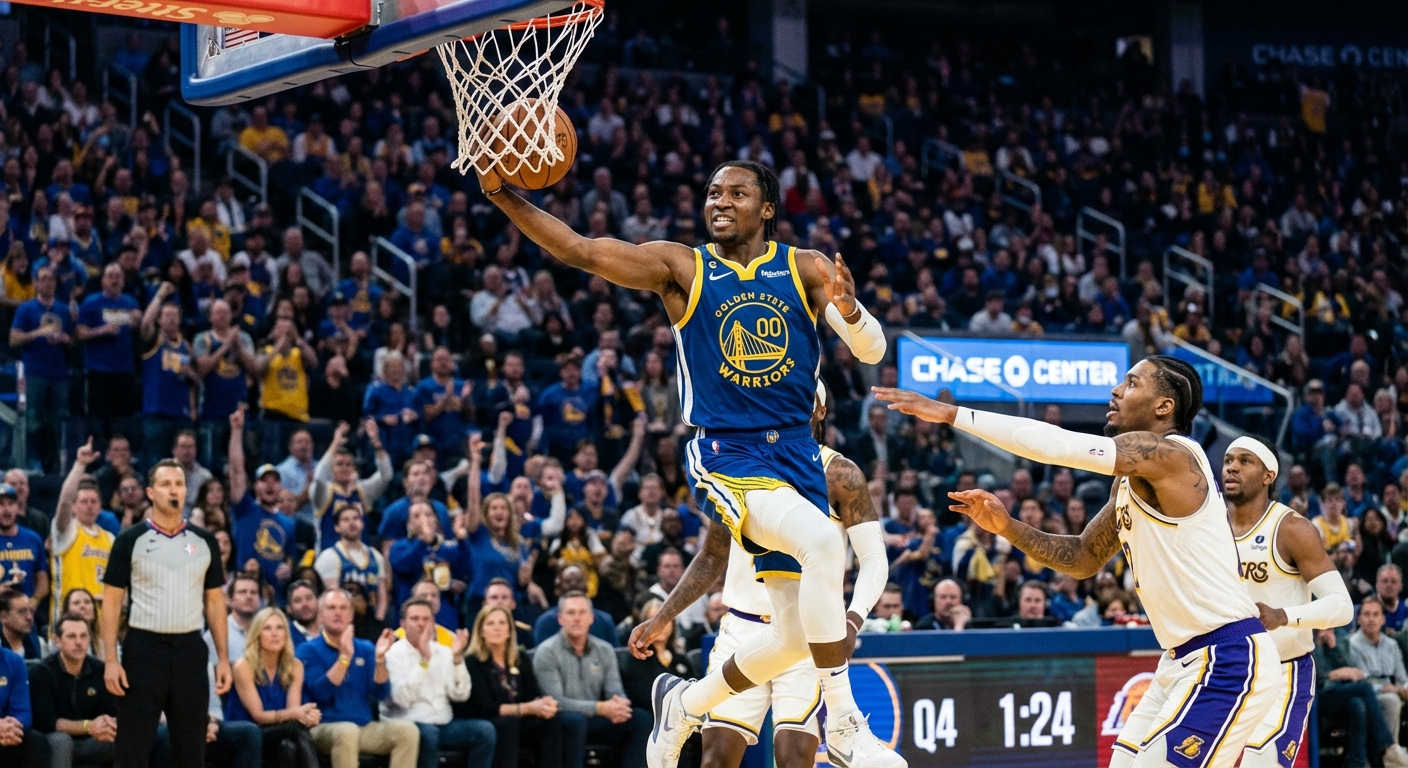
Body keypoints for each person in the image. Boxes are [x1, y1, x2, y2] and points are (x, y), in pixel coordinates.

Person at [489, 157, 894, 768]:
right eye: (712, 192)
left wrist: (853, 310)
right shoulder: (682, 265)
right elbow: (582, 250)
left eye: (737, 193)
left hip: (797, 454)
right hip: (728, 451)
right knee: (823, 544)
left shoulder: (806, 268)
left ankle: (685, 702)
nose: (720, 201)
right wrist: (505, 196)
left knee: (790, 637)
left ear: (767, 208)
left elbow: (871, 350)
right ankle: (843, 718)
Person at [877, 355, 1283, 768]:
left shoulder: (1171, 456)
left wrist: (950, 413)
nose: (1116, 391)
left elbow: (1058, 445)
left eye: (1132, 383)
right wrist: (1007, 526)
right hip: (1181, 661)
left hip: (1227, 657)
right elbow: (1083, 557)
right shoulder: (1131, 477)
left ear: (1165, 406)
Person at [640, 381, 889, 767]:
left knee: (794, 759)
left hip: (809, 634)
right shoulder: (740, 467)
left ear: (820, 411)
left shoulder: (840, 473)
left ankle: (683, 703)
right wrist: (663, 616)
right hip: (743, 627)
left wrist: (852, 621)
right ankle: (679, 707)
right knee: (717, 759)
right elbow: (711, 556)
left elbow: (874, 560)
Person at [1224, 434, 1354, 766]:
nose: (1232, 468)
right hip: (1226, 672)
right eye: (1228, 461)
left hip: (1284, 672)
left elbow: (1341, 606)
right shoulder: (1209, 529)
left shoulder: (1292, 529)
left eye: (1244, 461)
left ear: (1269, 475)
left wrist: (1283, 616)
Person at [101, 457, 232, 768]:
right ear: (150, 492)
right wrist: (110, 659)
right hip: (143, 650)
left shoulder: (205, 542)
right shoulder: (128, 541)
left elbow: (214, 603)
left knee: (192, 752)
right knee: (133, 750)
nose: (173, 490)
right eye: (165, 484)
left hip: (190, 650)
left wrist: (223, 658)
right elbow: (111, 602)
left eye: (179, 484)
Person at [295, 587, 419, 768]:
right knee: (347, 731)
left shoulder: (365, 648)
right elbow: (321, 693)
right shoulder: (308, 649)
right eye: (331, 608)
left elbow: (381, 692)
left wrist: (380, 659)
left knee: (407, 731)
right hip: (323, 727)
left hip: (363, 727)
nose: (338, 613)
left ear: (351, 614)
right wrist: (344, 658)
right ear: (320, 615)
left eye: (343, 608)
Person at [533, 591, 649, 766]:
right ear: (560, 619)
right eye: (571, 613)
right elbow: (556, 702)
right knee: (574, 720)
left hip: (595, 720)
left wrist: (620, 705)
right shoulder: (546, 652)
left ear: (591, 618)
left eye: (582, 613)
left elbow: (615, 690)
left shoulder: (605, 649)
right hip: (562, 722)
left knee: (641, 718)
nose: (577, 619)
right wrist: (601, 708)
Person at [382, 598, 495, 768]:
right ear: (403, 624)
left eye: (426, 619)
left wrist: (457, 660)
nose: (421, 624)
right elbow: (400, 700)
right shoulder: (392, 655)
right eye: (415, 619)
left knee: (485, 731)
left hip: (444, 723)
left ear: (433, 623)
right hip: (409, 723)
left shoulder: (444, 652)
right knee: (429, 735)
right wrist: (424, 663)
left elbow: (461, 695)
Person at [460, 603, 565, 767]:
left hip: (518, 720)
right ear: (481, 631)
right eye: (490, 623)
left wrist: (545, 705)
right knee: (509, 722)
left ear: (510, 630)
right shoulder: (472, 662)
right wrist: (528, 708)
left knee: (551, 719)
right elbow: (486, 707)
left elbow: (533, 694)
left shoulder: (520, 658)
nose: (497, 628)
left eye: (502, 623)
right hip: (488, 721)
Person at [228, 606, 323, 768]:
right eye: (267, 628)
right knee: (297, 730)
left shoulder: (295, 665)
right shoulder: (243, 666)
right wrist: (299, 714)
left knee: (288, 746)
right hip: (248, 736)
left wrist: (304, 715)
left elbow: (293, 712)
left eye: (279, 628)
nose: (274, 634)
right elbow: (258, 716)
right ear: (257, 634)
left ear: (286, 633)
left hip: (281, 733)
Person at [226, 408, 297, 596]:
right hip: (246, 591)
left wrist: (288, 568)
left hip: (276, 596)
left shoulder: (288, 523)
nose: (270, 485)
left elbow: (289, 555)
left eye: (275, 481)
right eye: (264, 480)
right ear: (255, 486)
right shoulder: (245, 508)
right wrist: (237, 431)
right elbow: (236, 470)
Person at [49, 439, 116, 629]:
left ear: (100, 506)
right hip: (67, 625)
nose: (89, 506)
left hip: (100, 628)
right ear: (74, 506)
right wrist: (80, 465)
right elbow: (63, 502)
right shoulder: (67, 531)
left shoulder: (110, 539)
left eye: (94, 501)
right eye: (83, 501)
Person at [32, 612, 113, 767]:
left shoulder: (101, 670)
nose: (78, 642)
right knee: (61, 741)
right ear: (58, 641)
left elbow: (111, 712)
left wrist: (107, 724)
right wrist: (88, 726)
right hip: (56, 742)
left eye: (83, 636)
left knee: (129, 737)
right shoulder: (41, 672)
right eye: (71, 636)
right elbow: (47, 722)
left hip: (93, 741)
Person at [310, 420, 393, 552]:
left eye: (349, 464)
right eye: (339, 464)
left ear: (355, 469)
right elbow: (319, 477)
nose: (344, 468)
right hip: (329, 559)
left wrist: (376, 444)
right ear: (331, 469)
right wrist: (335, 444)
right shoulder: (324, 492)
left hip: (361, 561)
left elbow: (386, 476)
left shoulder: (362, 490)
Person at [1349, 596, 1408, 755]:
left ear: (1383, 619)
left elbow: (1402, 678)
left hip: (1393, 690)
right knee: (1391, 700)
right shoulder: (1352, 644)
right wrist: (1390, 689)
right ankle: (1390, 753)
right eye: (1367, 614)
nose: (1371, 619)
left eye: (1376, 615)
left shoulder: (1391, 644)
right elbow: (1360, 681)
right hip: (1368, 693)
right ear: (1359, 618)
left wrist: (1403, 689)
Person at [314, 504, 389, 622]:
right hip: (341, 622)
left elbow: (382, 598)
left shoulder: (376, 556)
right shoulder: (329, 557)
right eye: (345, 520)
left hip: (370, 623)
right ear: (337, 527)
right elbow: (332, 598)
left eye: (355, 518)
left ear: (362, 523)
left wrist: (377, 623)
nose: (351, 523)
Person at [0, 641, 45, 767]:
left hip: (4, 733)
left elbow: (23, 711)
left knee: (36, 741)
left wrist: (10, 727)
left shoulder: (13, 661)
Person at [0, 482, 47, 600]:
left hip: (25, 613)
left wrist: (32, 603)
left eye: (11, 504)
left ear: (18, 507)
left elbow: (43, 582)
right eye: (1, 504)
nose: (6, 510)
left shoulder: (33, 539)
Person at [285, 580, 321, 648]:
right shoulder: (285, 637)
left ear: (318, 602)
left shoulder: (330, 631)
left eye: (309, 598)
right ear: (289, 608)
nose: (305, 604)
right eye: (298, 600)